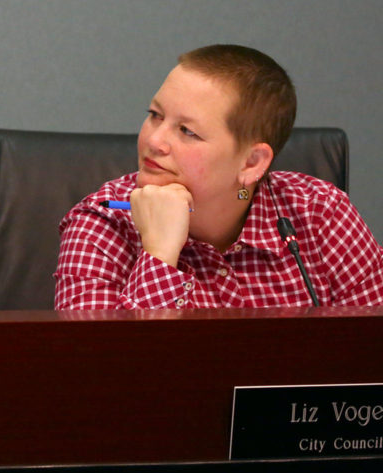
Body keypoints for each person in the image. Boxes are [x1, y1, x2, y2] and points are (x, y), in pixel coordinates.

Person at [55, 44, 383, 309]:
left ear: (252, 163)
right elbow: (100, 376)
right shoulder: (103, 220)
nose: (154, 141)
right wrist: (159, 254)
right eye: (155, 115)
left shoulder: (321, 213)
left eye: (187, 131)